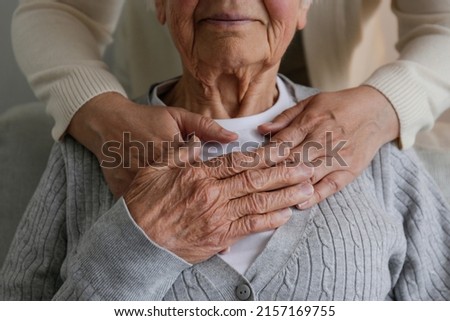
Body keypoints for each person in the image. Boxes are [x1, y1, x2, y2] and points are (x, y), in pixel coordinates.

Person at [2, 0, 450, 301]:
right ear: (159, 3)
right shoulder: (97, 148)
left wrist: (385, 106)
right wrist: (137, 243)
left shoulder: (373, 152)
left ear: (303, 5)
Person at [11, 0, 450, 201]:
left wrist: (382, 107)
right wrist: (101, 113)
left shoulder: (389, 177)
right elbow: (58, 7)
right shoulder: (90, 160)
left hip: (349, 126)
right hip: (147, 133)